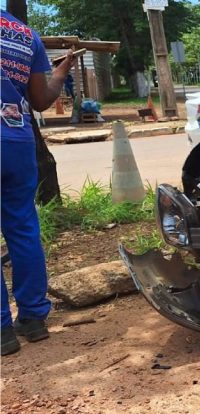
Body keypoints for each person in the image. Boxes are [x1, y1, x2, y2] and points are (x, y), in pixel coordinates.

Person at [1, 9, 74, 356]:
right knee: (23, 227)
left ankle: (2, 331)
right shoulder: (24, 34)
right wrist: (61, 71)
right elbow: (42, 100)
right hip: (16, 140)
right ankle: (32, 318)